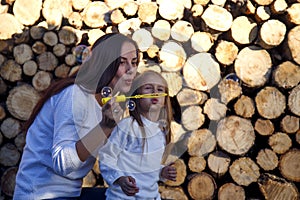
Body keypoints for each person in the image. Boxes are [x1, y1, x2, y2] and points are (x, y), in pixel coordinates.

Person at [13, 33, 140, 200]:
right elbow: (63, 164)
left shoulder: (108, 104)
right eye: (122, 62)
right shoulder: (74, 95)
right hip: (39, 196)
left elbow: (110, 157)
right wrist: (104, 128)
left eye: (134, 62)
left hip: (71, 195)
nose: (130, 70)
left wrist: (123, 179)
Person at [99, 70, 177, 200]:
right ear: (136, 96)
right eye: (148, 88)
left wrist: (161, 171)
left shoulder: (160, 132)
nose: (155, 92)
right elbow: (106, 156)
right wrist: (119, 179)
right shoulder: (127, 126)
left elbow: (146, 167)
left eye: (160, 89)